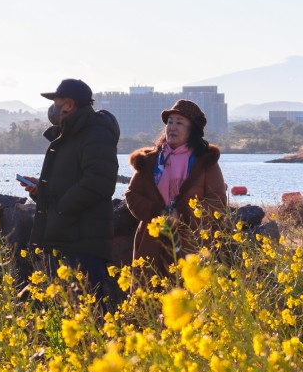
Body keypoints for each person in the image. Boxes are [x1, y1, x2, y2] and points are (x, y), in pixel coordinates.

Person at [20, 78, 120, 296]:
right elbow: (70, 182)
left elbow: (99, 182)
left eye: (56, 101)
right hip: (66, 239)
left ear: (69, 105)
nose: (52, 108)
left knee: (89, 312)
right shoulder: (70, 135)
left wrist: (61, 209)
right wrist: (42, 192)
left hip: (82, 243)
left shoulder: (95, 133)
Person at [125, 99, 227, 274]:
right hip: (150, 245)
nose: (172, 127)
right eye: (170, 122)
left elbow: (217, 201)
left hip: (191, 247)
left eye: (179, 123)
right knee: (149, 296)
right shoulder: (149, 161)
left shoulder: (205, 162)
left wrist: (183, 215)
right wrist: (158, 214)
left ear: (192, 130)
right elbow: (132, 194)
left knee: (188, 296)